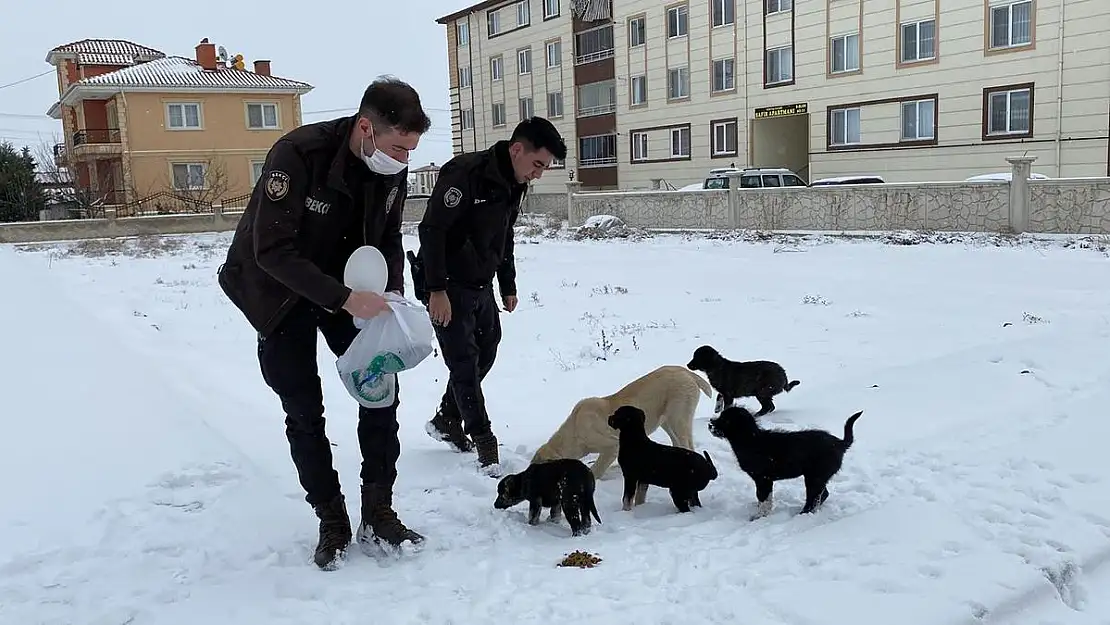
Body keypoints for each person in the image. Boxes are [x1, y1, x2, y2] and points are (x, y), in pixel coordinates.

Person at [217, 77, 432, 571]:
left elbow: (389, 236)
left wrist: (390, 289)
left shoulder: (391, 168)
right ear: (365, 127)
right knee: (303, 408)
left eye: (411, 151)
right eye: (398, 147)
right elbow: (270, 249)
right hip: (279, 291)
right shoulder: (298, 154)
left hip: (350, 289)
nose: (403, 160)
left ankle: (378, 509)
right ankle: (331, 518)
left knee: (380, 390)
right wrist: (342, 297)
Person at [411, 117, 567, 476]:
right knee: (463, 361)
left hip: (479, 283)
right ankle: (483, 440)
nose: (538, 174)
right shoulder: (465, 173)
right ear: (517, 149)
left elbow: (504, 235)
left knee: (487, 351)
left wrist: (507, 283)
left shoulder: (513, 183)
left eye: (544, 167)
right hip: (447, 285)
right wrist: (436, 290)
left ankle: (447, 419)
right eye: (538, 164)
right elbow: (432, 230)